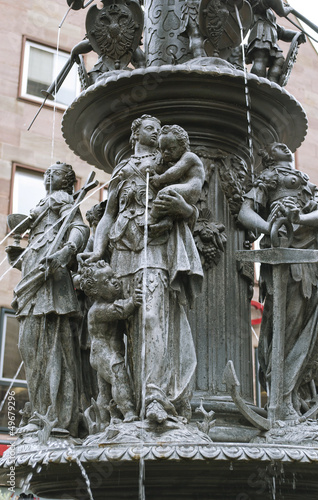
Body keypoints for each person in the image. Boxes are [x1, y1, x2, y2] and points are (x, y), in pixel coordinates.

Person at [81, 115, 203, 424]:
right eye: (151, 127)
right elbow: (109, 214)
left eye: (160, 128)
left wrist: (184, 209)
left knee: (151, 318)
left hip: (155, 248)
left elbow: (191, 201)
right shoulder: (122, 169)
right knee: (125, 327)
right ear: (136, 133)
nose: (157, 131)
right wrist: (97, 251)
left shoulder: (167, 162)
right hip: (122, 252)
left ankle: (154, 397)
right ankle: (123, 406)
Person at [238, 143, 318, 420]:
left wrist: (300, 218)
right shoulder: (267, 178)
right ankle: (281, 400)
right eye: (275, 147)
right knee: (285, 329)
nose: (283, 146)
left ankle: (292, 397)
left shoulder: (303, 181)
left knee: (308, 326)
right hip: (283, 259)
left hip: (310, 263)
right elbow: (245, 212)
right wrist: (267, 226)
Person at [7, 162, 89, 437]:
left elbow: (79, 228)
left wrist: (67, 251)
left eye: (53, 172)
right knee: (29, 347)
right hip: (34, 275)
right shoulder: (43, 205)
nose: (47, 175)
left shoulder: (63, 199)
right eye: (46, 172)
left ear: (66, 181)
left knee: (53, 347)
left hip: (53, 281)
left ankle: (57, 417)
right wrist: (18, 258)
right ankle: (40, 413)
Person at [79, 261, 142, 424]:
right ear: (96, 292)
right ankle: (129, 413)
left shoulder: (105, 303)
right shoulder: (97, 310)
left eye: (113, 275)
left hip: (104, 353)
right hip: (103, 353)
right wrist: (133, 300)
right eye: (107, 280)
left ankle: (102, 421)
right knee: (119, 375)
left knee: (105, 391)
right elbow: (120, 310)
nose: (115, 281)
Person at [148, 124, 205, 235]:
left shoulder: (189, 156)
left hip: (191, 190)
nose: (165, 153)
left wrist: (159, 179)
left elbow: (174, 172)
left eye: (171, 149)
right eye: (162, 149)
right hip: (188, 190)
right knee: (168, 202)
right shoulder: (173, 157)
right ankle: (168, 221)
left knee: (165, 193)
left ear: (183, 146)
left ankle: (151, 218)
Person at [247, 0, 305, 83]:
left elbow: (280, 32)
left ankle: (271, 83)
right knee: (261, 58)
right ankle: (255, 84)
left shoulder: (269, 14)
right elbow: (282, 12)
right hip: (261, 32)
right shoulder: (257, 5)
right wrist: (290, 8)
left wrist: (297, 35)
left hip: (269, 35)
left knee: (279, 60)